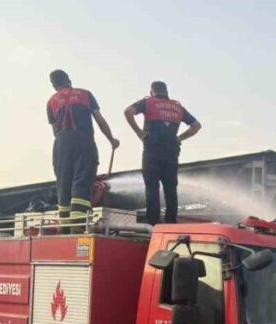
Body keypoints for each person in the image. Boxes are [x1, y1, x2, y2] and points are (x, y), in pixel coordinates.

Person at [46, 69, 119, 227]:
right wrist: (112, 139)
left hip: (61, 144)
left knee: (64, 183)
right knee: (82, 180)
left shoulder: (51, 101)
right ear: (69, 80)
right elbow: (99, 120)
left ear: (54, 85)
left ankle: (64, 228)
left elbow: (55, 131)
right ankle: (78, 226)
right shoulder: (85, 94)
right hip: (84, 141)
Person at [124, 81, 202, 225]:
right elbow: (196, 126)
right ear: (166, 92)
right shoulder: (178, 107)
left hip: (152, 149)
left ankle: (152, 222)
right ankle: (171, 222)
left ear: (152, 91)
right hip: (172, 151)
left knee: (152, 186)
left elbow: (128, 111)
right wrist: (180, 138)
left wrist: (139, 132)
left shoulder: (148, 102)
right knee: (171, 187)